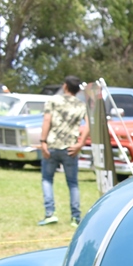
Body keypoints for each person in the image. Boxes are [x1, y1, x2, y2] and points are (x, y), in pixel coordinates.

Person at [38, 76, 87, 226]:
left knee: (47, 179)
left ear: (65, 86)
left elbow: (47, 120)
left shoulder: (53, 101)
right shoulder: (81, 105)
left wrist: (43, 141)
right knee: (72, 183)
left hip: (52, 145)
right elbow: (89, 125)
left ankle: (50, 213)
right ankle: (75, 217)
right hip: (70, 148)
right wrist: (80, 144)